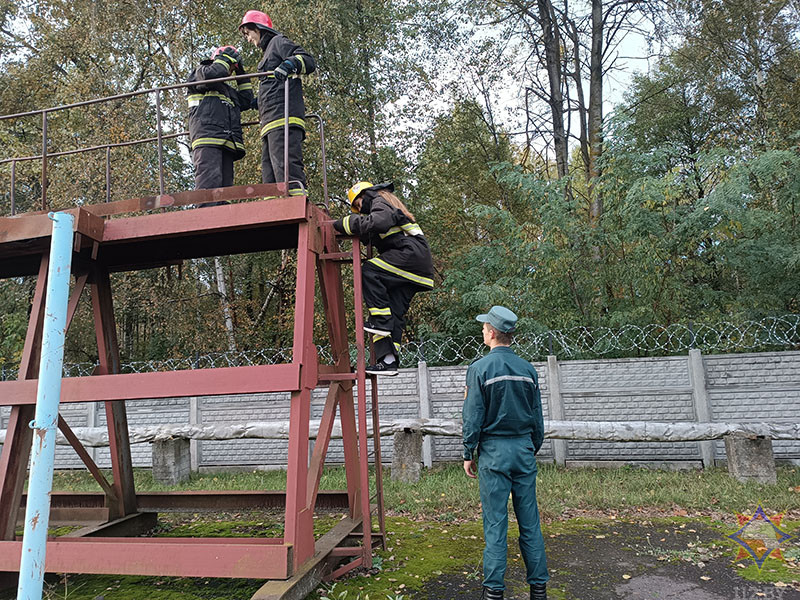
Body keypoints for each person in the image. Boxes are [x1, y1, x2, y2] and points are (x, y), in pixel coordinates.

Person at [462, 306, 549, 600]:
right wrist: (530, 446)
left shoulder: (479, 369)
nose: (483, 331)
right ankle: (538, 589)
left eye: (484, 327)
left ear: (493, 332)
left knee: (496, 523)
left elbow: (473, 415)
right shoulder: (528, 370)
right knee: (530, 522)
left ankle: (494, 593)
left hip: (494, 453)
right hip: (523, 450)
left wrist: (467, 450)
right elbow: (537, 418)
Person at [333, 181, 434, 376]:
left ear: (366, 195)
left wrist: (344, 224)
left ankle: (380, 321)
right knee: (393, 311)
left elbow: (379, 222)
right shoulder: (387, 207)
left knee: (370, 271)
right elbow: (376, 230)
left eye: (359, 204)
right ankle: (388, 360)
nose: (360, 210)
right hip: (415, 264)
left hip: (410, 256)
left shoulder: (379, 201)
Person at [239, 10, 316, 196]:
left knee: (287, 170)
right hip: (270, 123)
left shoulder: (278, 42)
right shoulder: (267, 53)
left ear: (257, 28)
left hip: (284, 119)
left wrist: (289, 65)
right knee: (270, 178)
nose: (248, 39)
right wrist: (259, 101)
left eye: (248, 34)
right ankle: (274, 215)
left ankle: (296, 206)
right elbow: (274, 85)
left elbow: (308, 61)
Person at [186, 45, 254, 201]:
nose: (229, 71)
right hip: (207, 139)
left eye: (232, 68)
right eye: (228, 66)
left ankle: (224, 221)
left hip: (227, 142)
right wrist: (225, 60)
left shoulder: (228, 91)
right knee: (208, 187)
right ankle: (206, 220)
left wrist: (241, 74)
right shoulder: (200, 73)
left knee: (225, 192)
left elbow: (246, 100)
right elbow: (212, 76)